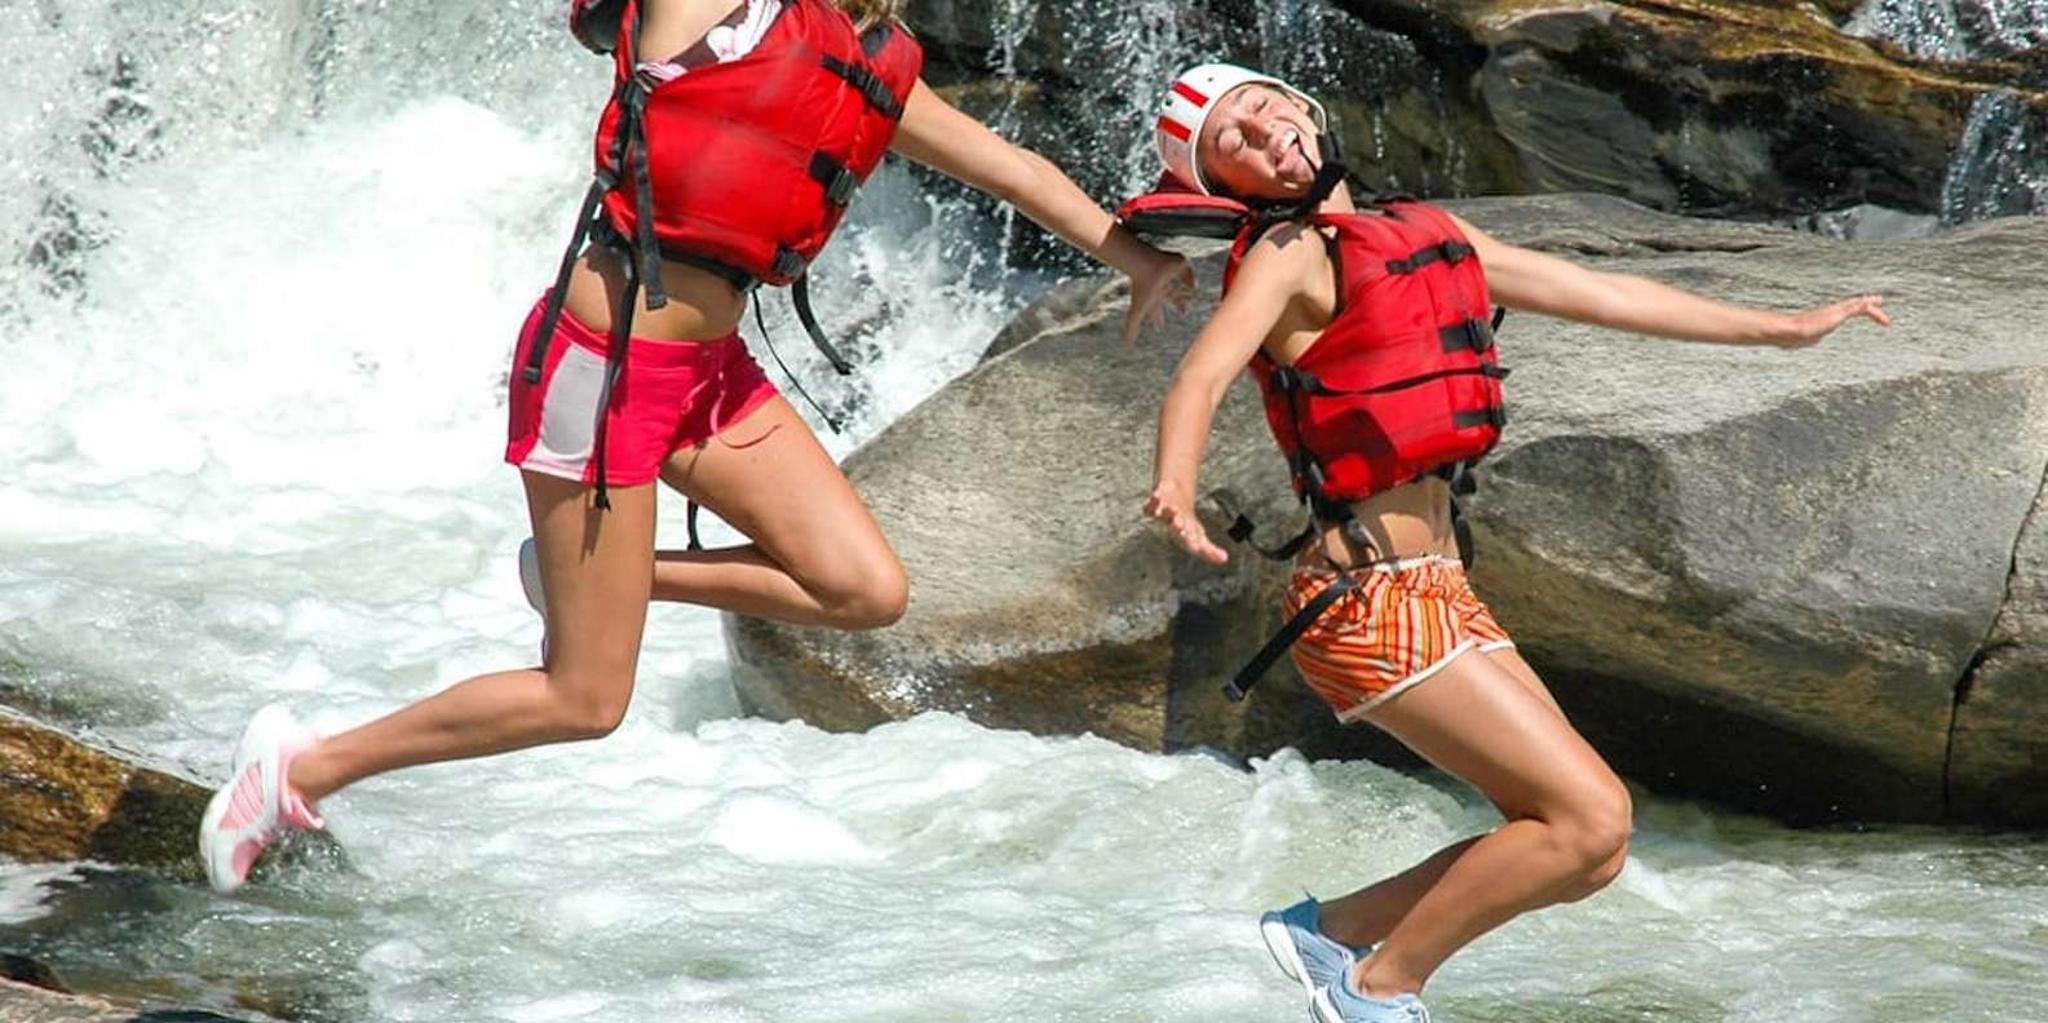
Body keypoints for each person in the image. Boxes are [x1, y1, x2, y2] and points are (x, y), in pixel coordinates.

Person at [197, 0, 1192, 893]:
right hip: (608, 360)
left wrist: (1135, 260)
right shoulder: (721, 8)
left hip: (711, 373)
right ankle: (300, 766)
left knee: (863, 590)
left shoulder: (873, 60)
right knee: (584, 701)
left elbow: (1010, 166)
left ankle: (613, 578)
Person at [1134, 63, 1889, 1023]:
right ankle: (1375, 988)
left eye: (1262, 108)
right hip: (1364, 604)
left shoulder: (1425, 234)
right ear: (1227, 187)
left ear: (1303, 106)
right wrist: (1176, 482)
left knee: (1588, 851)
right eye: (1232, 142)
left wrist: (1783, 329)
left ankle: (1326, 931)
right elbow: (1198, 378)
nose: (1262, 132)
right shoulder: (1284, 252)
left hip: (1441, 589)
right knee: (1588, 820)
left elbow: (1596, 292)